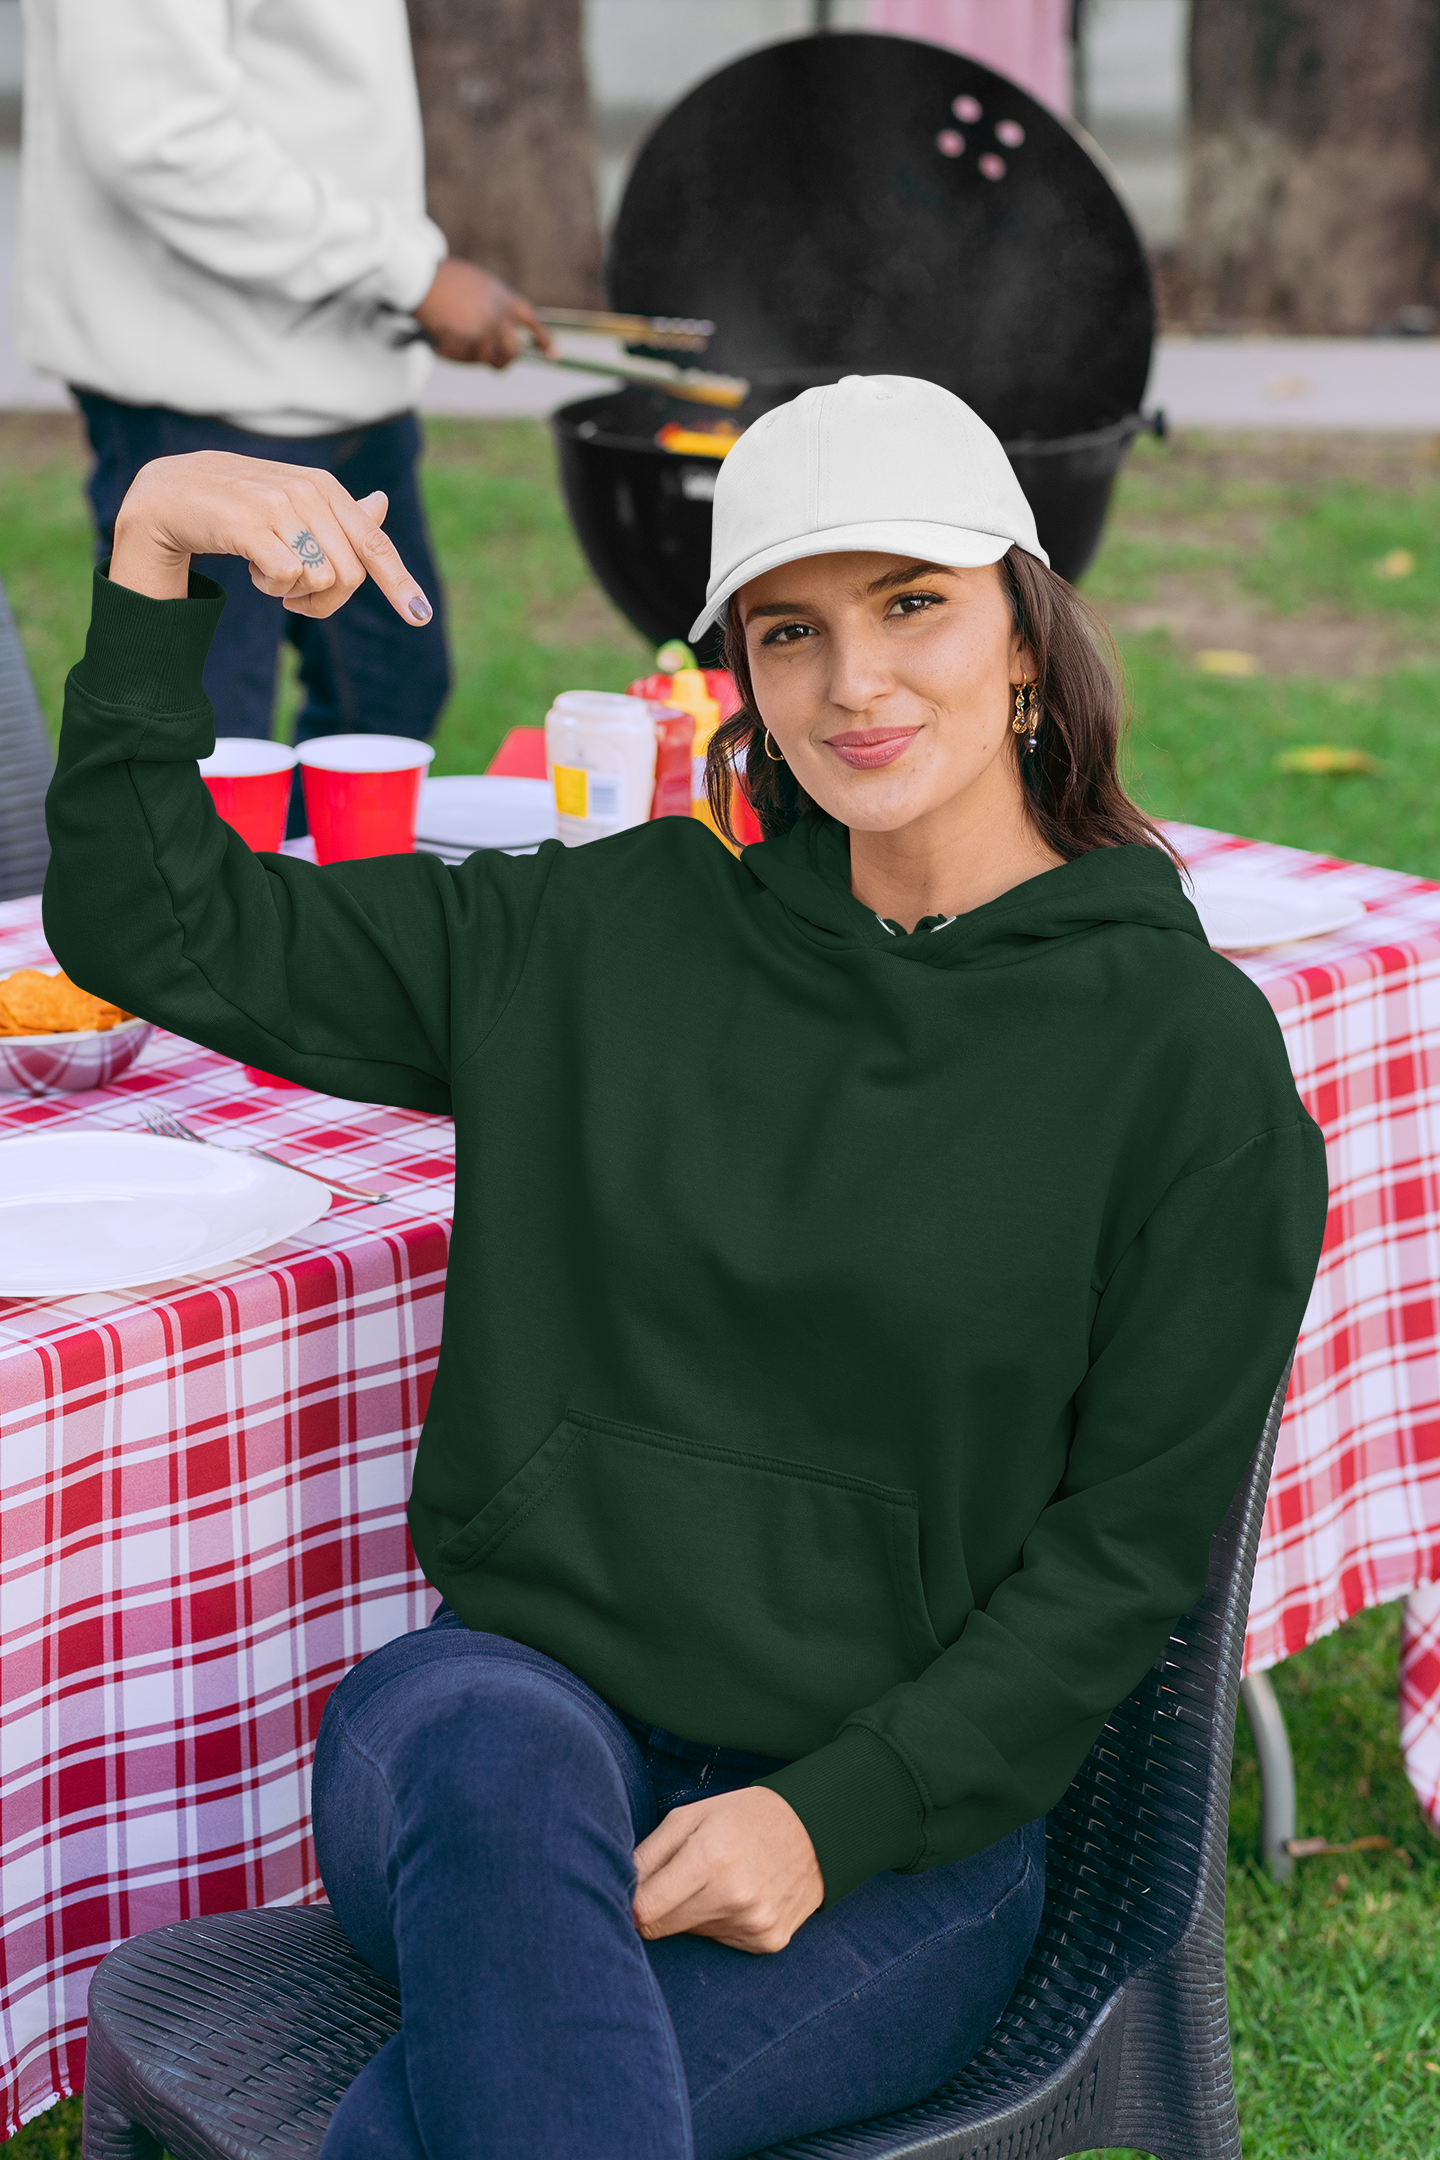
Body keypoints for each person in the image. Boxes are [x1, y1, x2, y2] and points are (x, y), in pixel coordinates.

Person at [42, 375, 1328, 2160]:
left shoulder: (1181, 1060)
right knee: (489, 1761)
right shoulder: (604, 933)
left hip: (898, 1845)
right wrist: (156, 547)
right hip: (494, 1736)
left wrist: (826, 1815)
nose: (855, 685)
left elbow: (1120, 1565)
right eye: (790, 632)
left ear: (1028, 638)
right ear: (741, 674)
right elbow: (151, 918)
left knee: (491, 2113)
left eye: (912, 606)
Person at [17, 0, 550, 791]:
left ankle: (288, 909)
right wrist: (408, 272)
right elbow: (160, 138)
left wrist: (397, 280)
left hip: (345, 380)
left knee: (391, 700)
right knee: (198, 750)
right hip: (196, 390)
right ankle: (192, 914)